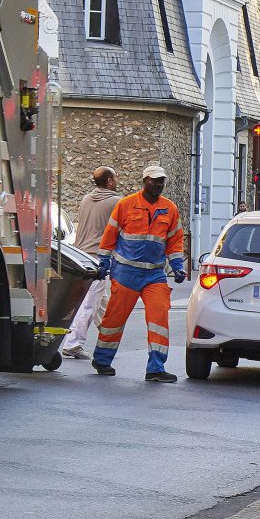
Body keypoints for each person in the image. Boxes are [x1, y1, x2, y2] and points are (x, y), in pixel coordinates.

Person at [93, 163, 187, 382]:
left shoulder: (170, 208)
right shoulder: (126, 205)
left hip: (154, 274)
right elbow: (110, 235)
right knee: (114, 319)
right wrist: (103, 262)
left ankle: (155, 368)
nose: (159, 185)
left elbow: (175, 241)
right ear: (145, 181)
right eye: (155, 181)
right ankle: (102, 360)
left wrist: (178, 267)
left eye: (162, 181)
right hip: (126, 272)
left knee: (159, 317)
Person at [59, 167, 121, 359]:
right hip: (99, 258)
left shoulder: (86, 199)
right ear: (110, 181)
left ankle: (108, 336)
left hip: (82, 255)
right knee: (89, 303)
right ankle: (73, 344)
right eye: (115, 178)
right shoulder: (116, 202)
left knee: (102, 301)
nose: (117, 181)